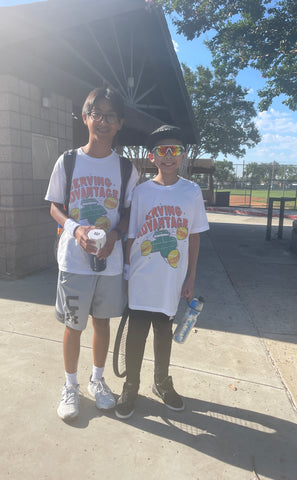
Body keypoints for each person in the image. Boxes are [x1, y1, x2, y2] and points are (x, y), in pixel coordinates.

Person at [45, 87, 139, 421]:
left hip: (109, 262)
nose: (102, 120)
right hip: (74, 260)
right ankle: (70, 386)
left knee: (102, 322)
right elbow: (55, 206)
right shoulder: (68, 161)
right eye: (95, 113)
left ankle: (97, 381)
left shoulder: (127, 169)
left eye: (110, 115)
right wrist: (76, 230)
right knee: (73, 325)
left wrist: (115, 234)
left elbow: (130, 212)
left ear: (119, 124)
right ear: (85, 118)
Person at [115, 124, 209, 419]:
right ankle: (131, 384)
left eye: (175, 150)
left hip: (172, 276)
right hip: (142, 276)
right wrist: (128, 274)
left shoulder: (191, 192)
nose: (169, 156)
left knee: (163, 331)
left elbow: (194, 236)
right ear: (151, 156)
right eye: (162, 151)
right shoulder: (142, 192)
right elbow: (132, 236)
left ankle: (161, 381)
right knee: (137, 331)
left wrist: (191, 276)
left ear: (182, 155)